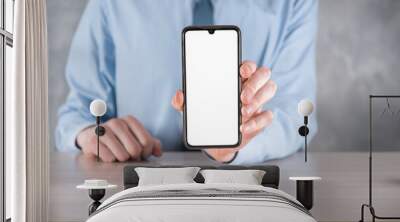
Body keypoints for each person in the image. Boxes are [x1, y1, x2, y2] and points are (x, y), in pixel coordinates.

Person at [55, 0, 318, 164]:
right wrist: (90, 133)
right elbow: (78, 113)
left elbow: (296, 114)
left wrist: (242, 142)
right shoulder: (111, 4)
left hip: (245, 188)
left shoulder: (292, 3)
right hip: (139, 181)